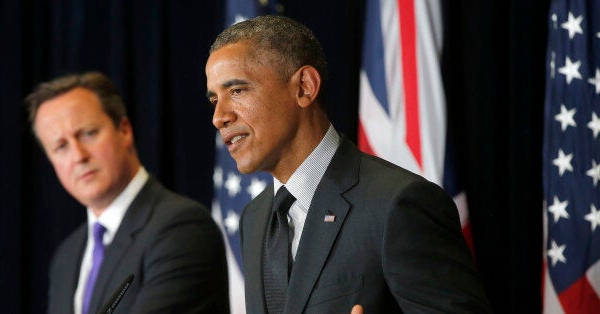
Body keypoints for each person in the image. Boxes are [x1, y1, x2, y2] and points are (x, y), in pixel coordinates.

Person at [205, 15, 492, 313]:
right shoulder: (255, 217)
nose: (219, 117)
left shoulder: (398, 205)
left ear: (304, 87)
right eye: (214, 100)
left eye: (237, 91)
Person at [25, 71, 229, 314]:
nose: (78, 156)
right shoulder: (67, 256)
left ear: (124, 130)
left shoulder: (181, 228)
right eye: (60, 146)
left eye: (88, 133)